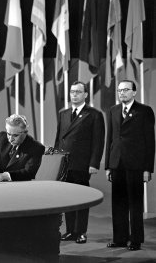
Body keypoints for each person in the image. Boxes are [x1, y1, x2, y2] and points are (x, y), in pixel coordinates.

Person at [105, 80, 155, 251]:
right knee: (118, 203)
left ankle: (135, 240)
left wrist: (148, 168)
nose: (122, 93)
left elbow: (150, 141)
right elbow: (110, 139)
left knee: (135, 204)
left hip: (136, 165)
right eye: (120, 90)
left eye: (126, 90)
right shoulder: (113, 110)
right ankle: (119, 238)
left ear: (134, 92)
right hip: (116, 163)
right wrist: (108, 166)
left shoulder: (145, 111)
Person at [54, 81, 105, 244]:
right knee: (67, 198)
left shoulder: (94, 114)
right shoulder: (63, 113)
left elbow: (98, 141)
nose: (74, 95)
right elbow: (58, 139)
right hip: (65, 163)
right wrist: (55, 160)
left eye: (78, 92)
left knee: (82, 198)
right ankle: (70, 231)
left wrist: (94, 163)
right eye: (72, 92)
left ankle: (81, 231)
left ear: (85, 95)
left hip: (82, 163)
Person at [0, 114, 45, 181]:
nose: (10, 139)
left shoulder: (36, 147)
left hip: (20, 187)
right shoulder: (2, 138)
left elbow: (29, 173)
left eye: (15, 135)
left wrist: (7, 176)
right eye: (8, 134)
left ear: (25, 132)